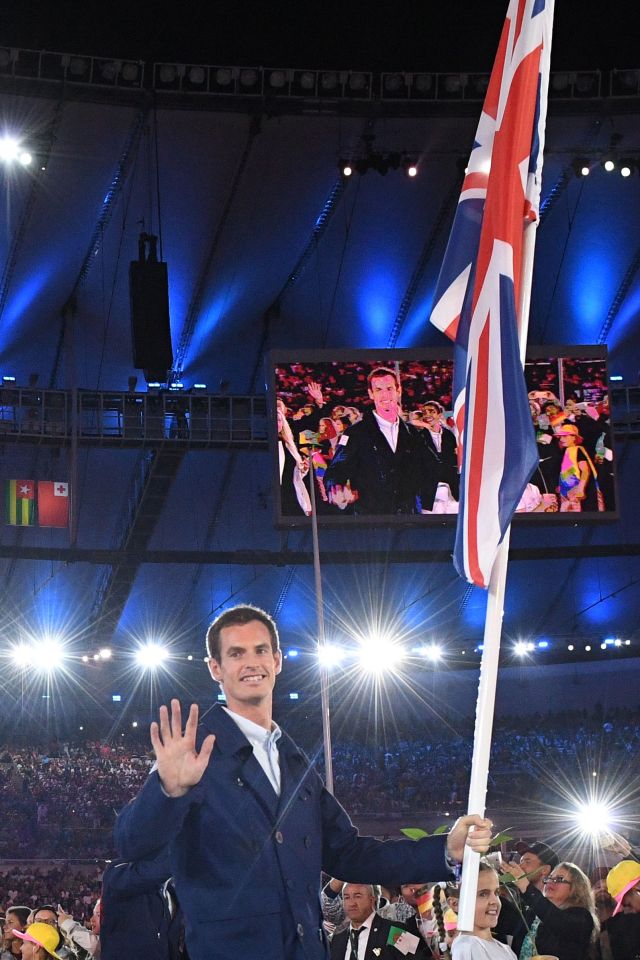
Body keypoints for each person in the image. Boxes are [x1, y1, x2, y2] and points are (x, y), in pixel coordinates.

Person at [115, 604, 493, 960]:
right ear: (215, 667)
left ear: (277, 661)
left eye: (261, 650)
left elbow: (349, 853)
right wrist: (168, 791)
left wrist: (446, 850)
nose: (251, 662)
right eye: (236, 653)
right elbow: (131, 843)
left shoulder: (295, 764)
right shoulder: (193, 755)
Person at [323, 367, 439, 514]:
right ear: (371, 394)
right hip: (372, 520)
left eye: (389, 388)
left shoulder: (414, 434)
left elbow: (433, 467)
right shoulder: (355, 433)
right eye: (378, 390)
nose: (385, 395)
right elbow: (336, 470)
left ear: (399, 391)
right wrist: (336, 488)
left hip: (409, 519)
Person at [501, 859, 598, 960]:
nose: (551, 882)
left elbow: (557, 921)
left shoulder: (581, 917)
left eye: (559, 879)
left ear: (576, 888)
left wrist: (525, 886)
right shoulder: (533, 914)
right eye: (549, 878)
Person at [328, 884, 426, 960]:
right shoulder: (338, 939)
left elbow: (421, 958)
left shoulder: (396, 931)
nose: (352, 903)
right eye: (346, 897)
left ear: (372, 900)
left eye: (357, 896)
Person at [451, 861, 517, 959]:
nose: (494, 901)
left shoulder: (504, 948)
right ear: (456, 904)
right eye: (483, 894)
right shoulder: (469, 946)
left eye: (496, 893)